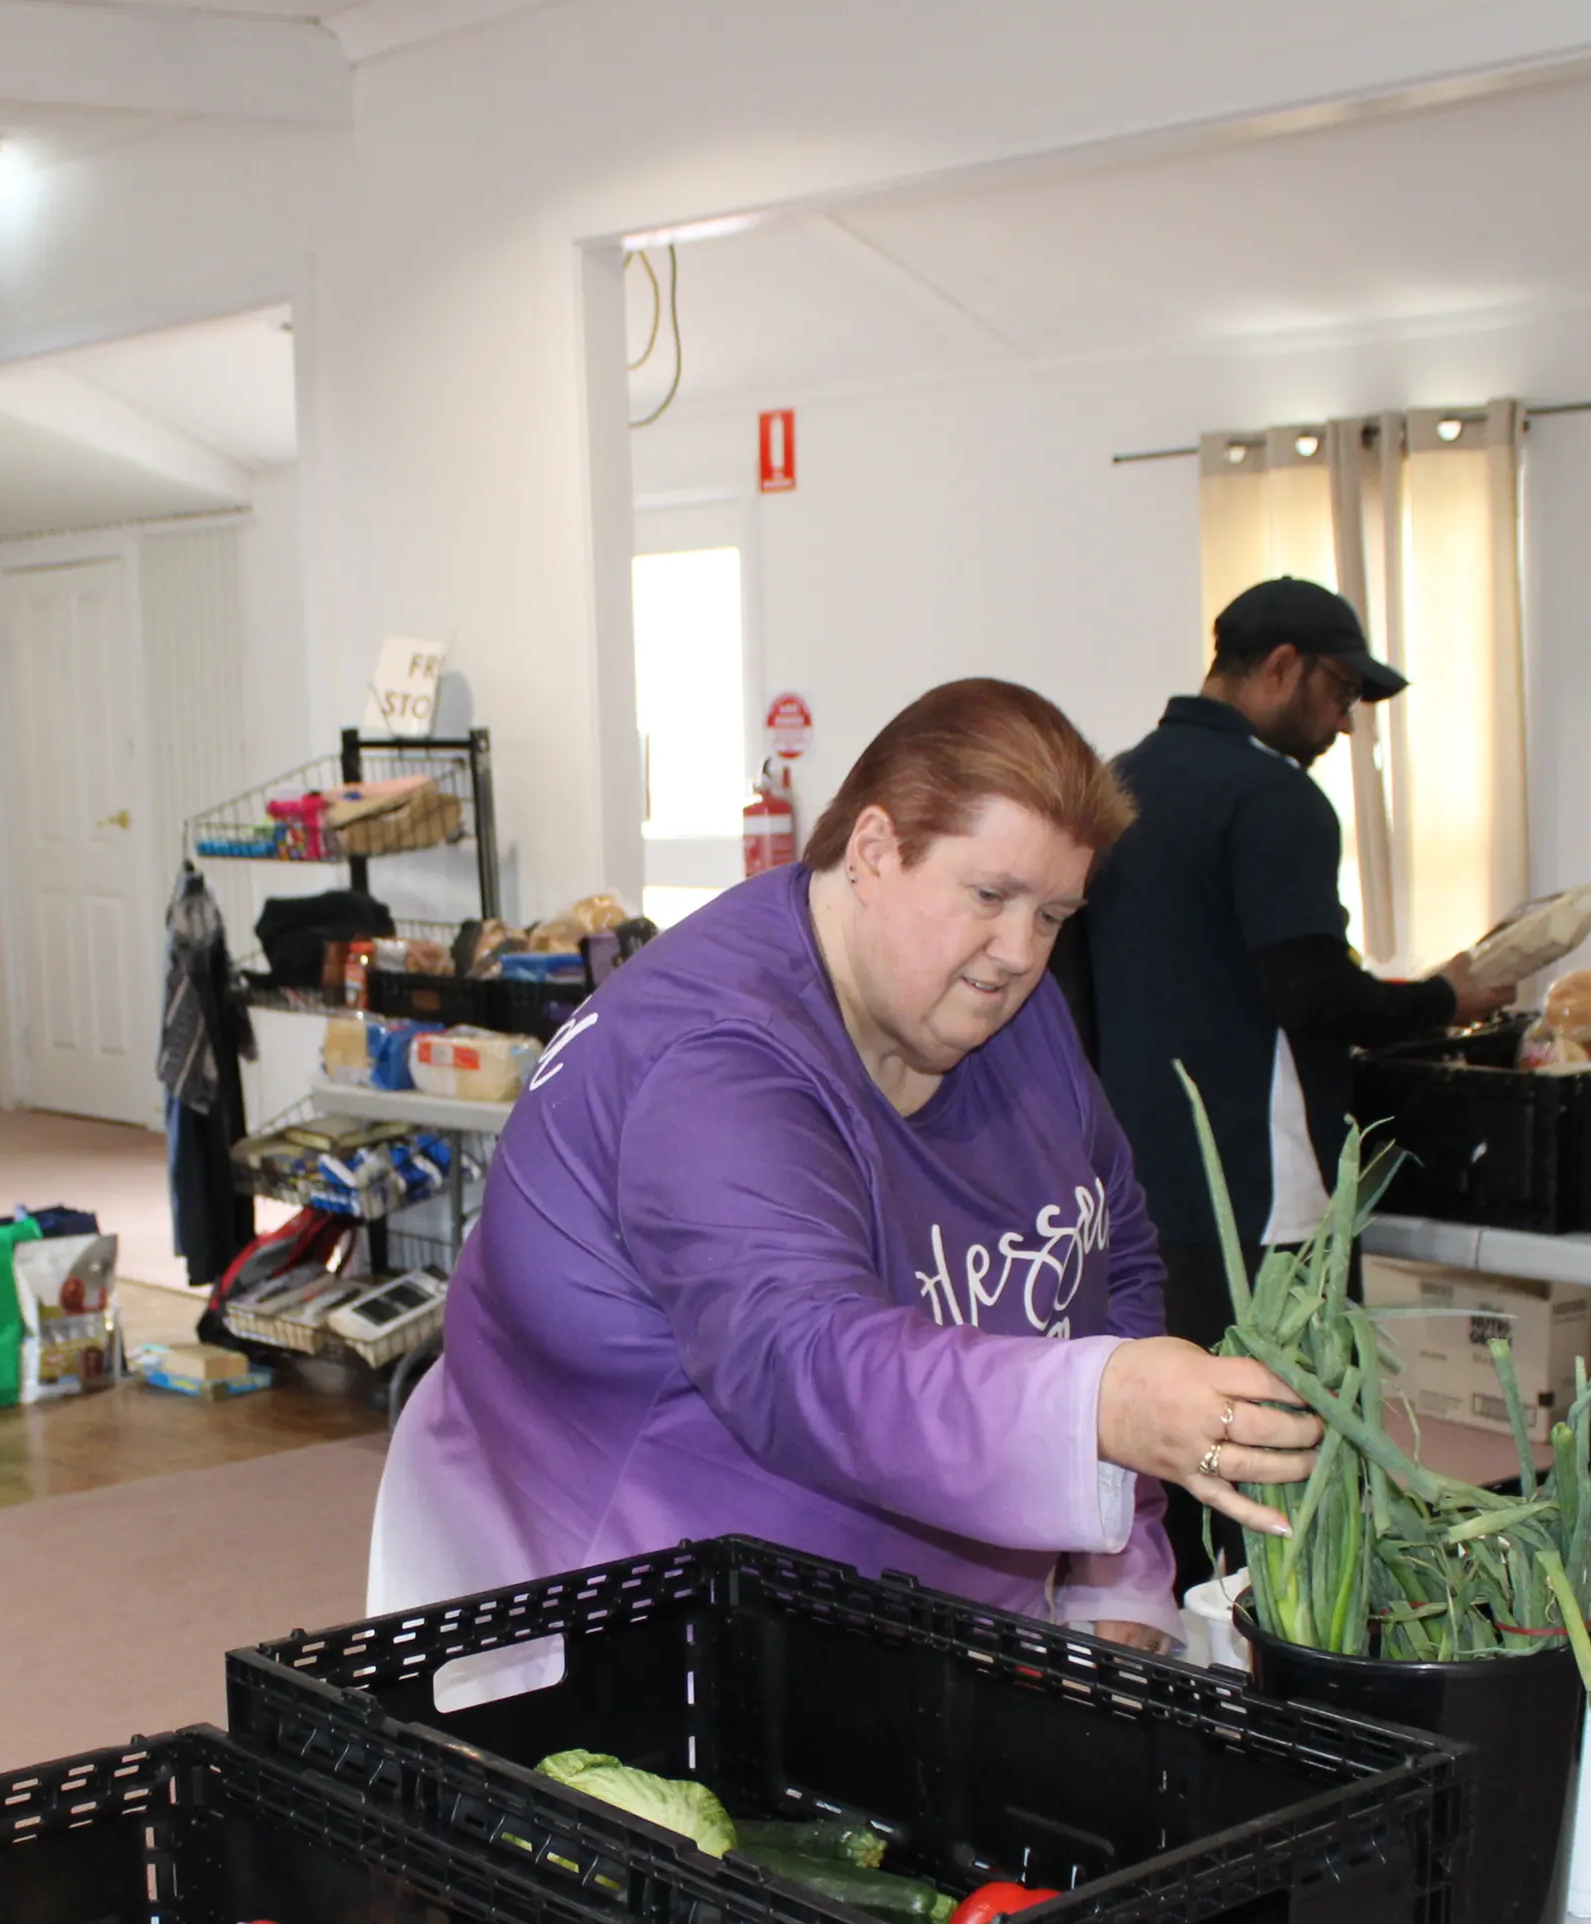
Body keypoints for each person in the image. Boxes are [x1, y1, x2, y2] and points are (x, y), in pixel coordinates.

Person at [368, 679, 1325, 1650]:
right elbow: (805, 1361)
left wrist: (1116, 1571)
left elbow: (1107, 1245)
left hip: (913, 1643)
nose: (1018, 952)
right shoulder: (712, 1059)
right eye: (989, 896)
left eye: (1054, 915)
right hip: (644, 1637)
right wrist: (1100, 1407)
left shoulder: (998, 1004)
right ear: (873, 850)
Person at [1061, 578, 1515, 1352]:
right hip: (1262, 1189)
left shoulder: (1111, 784)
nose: (1344, 721)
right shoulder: (1277, 799)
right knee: (1290, 1433)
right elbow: (1311, 994)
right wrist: (1446, 997)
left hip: (1133, 1182)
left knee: (1175, 1422)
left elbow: (1076, 991)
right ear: (1279, 667)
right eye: (1339, 691)